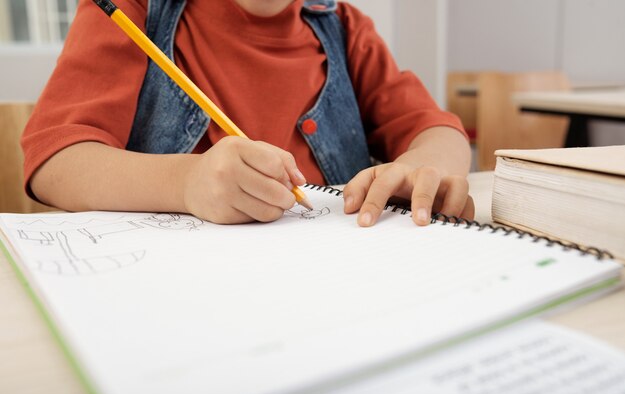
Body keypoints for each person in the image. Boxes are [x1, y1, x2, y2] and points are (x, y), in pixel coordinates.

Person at [21, 0, 474, 227]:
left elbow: (439, 130)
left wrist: (419, 168)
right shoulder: (133, 9)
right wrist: (184, 183)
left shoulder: (344, 26)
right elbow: (53, 163)